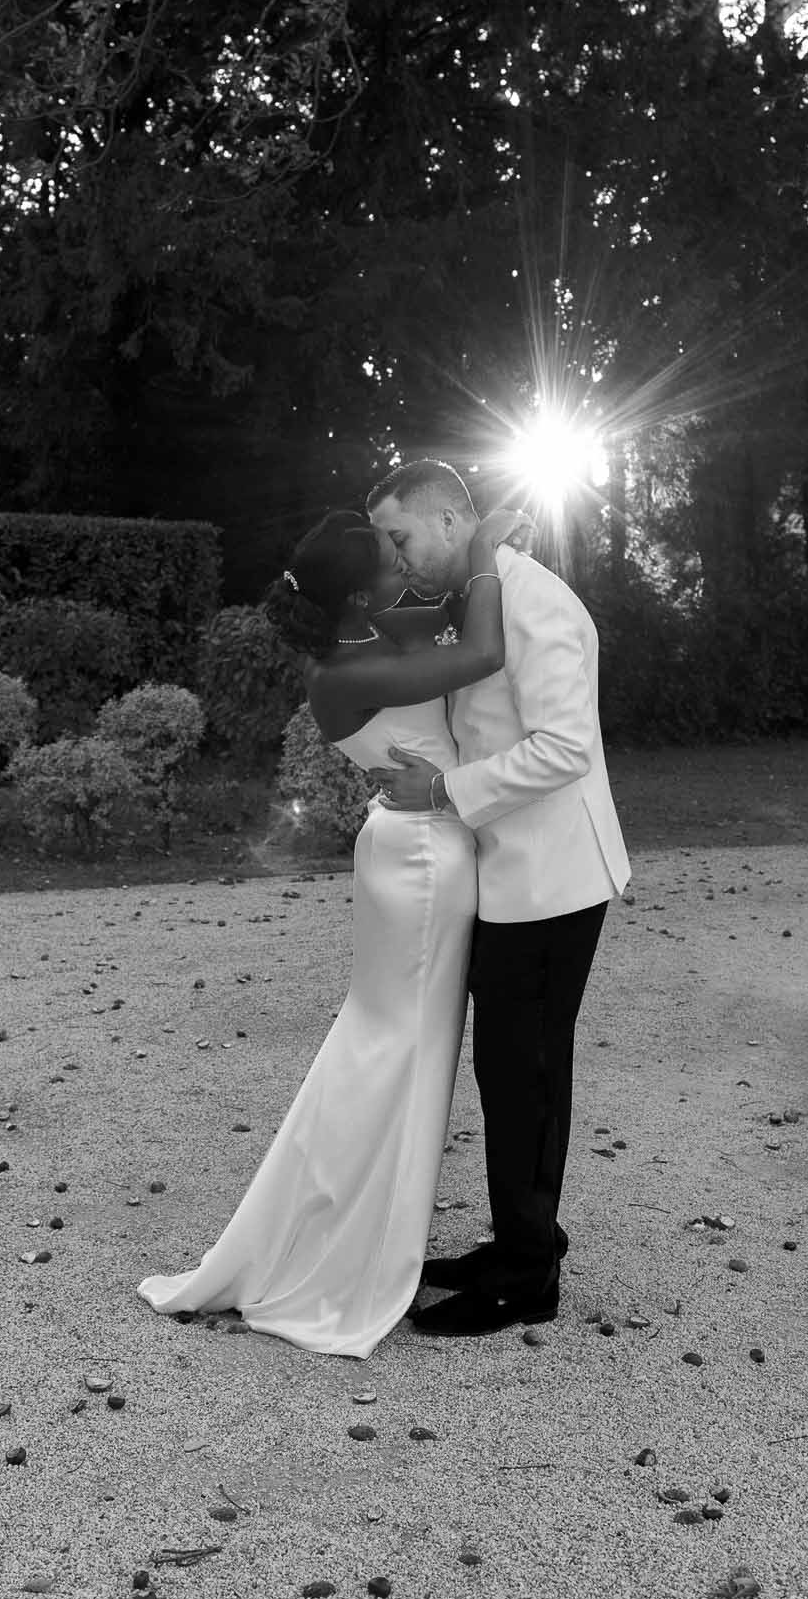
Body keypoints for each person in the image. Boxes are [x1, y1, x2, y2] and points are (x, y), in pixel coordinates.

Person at [136, 501, 526, 1357]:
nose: (401, 559)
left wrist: (475, 548)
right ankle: (350, 1246)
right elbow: (483, 650)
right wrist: (489, 549)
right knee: (398, 1046)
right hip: (421, 857)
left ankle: (363, 1229)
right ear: (357, 598)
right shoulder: (340, 675)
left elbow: (445, 611)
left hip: (418, 844)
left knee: (395, 1041)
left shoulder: (361, 634)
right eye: (388, 555)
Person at [368, 458, 630, 1337]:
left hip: (552, 880)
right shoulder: (480, 593)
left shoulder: (536, 601)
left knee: (526, 1074)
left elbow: (563, 749)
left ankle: (528, 1277)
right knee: (505, 1070)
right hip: (506, 874)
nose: (395, 556)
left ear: (449, 523)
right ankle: (519, 1241)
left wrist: (441, 794)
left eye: (400, 537)